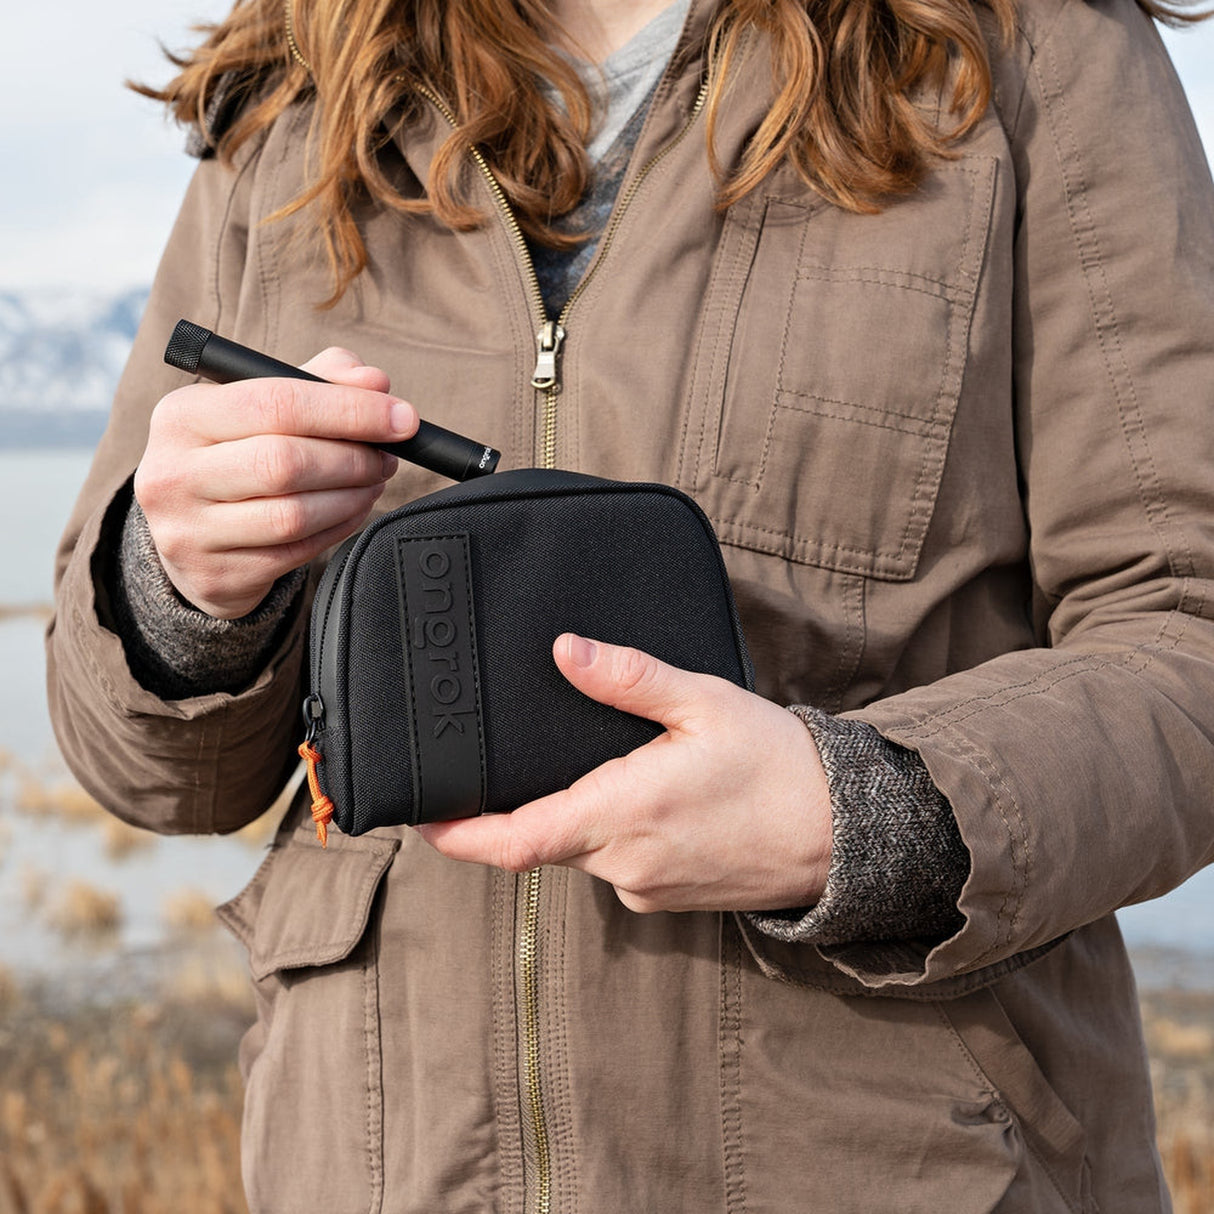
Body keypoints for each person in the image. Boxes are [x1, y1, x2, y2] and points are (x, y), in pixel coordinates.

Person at [46, 0, 1214, 1208]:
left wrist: (861, 818)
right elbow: (149, 771)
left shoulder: (1020, 39)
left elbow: (1184, 625)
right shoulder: (294, 85)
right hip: (378, 1170)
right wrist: (183, 586)